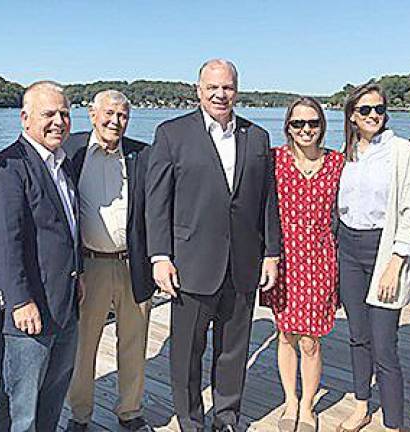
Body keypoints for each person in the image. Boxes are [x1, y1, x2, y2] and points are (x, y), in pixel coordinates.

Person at [145, 59, 281, 432]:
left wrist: (271, 253)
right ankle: (190, 421)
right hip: (190, 263)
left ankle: (226, 417)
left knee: (234, 349)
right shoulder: (172, 134)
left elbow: (267, 201)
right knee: (187, 352)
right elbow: (158, 202)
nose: (221, 94)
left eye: (228, 87)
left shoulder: (257, 137)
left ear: (237, 90)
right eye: (213, 87)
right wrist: (160, 256)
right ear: (198, 89)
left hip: (242, 263)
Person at [0, 81, 81, 432]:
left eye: (65, 114)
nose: (59, 121)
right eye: (49, 114)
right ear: (25, 118)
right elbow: (2, 245)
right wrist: (19, 299)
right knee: (19, 409)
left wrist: (79, 274)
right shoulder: (7, 167)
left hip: (65, 304)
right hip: (28, 313)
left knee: (52, 399)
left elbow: (68, 231)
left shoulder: (62, 164)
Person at [63, 90, 154, 432]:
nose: (115, 121)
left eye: (123, 115)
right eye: (109, 114)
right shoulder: (70, 150)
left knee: (134, 342)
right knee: (84, 345)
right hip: (90, 266)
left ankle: (130, 411)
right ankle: (80, 414)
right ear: (92, 114)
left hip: (133, 264)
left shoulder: (140, 154)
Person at [337, 82, 410, 432]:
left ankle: (394, 422)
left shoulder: (403, 152)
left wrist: (396, 263)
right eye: (365, 110)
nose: (373, 115)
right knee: (358, 335)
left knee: (385, 345)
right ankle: (361, 407)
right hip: (348, 249)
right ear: (352, 116)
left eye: (379, 109)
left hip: (384, 251)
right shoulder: (346, 153)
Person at [259, 96, 344, 432]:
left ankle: (308, 405)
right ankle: (290, 401)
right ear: (288, 127)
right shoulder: (274, 160)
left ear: (322, 126)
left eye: (312, 123)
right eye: (298, 124)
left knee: (310, 339)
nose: (306, 129)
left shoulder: (338, 163)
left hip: (321, 259)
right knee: (285, 334)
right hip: (284, 260)